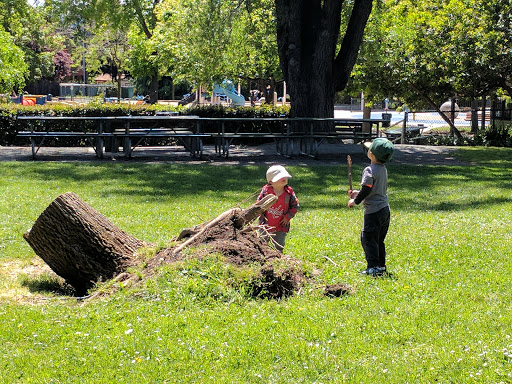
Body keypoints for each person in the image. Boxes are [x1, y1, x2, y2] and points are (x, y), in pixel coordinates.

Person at [347, 138, 395, 277]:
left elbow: (367, 190)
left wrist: (355, 201)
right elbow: (373, 189)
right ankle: (380, 266)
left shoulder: (369, 170)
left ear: (372, 155)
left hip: (373, 212)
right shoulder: (383, 169)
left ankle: (372, 267)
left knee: (368, 239)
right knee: (378, 240)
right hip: (384, 210)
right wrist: (358, 192)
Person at [257, 165, 299, 252]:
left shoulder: (289, 192)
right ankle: (262, 255)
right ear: (270, 182)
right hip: (265, 224)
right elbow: (258, 203)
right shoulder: (266, 191)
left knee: (279, 244)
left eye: (284, 176)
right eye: (280, 177)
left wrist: (287, 217)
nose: (284, 178)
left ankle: (278, 256)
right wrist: (258, 211)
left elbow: (295, 206)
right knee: (262, 243)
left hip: (281, 225)